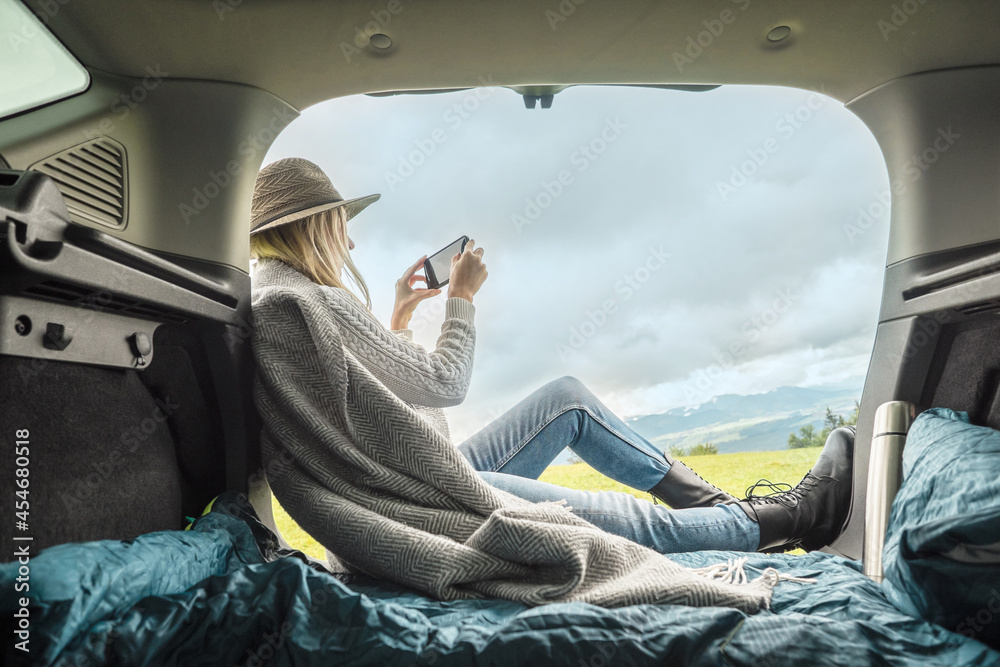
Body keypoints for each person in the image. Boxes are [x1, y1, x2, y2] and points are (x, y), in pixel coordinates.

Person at [248, 157, 855, 555]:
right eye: (340, 223)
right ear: (315, 226)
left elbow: (401, 416)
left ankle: (719, 512)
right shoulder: (310, 302)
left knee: (566, 399)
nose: (349, 239)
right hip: (416, 505)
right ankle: (798, 518)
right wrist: (459, 299)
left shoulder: (284, 300)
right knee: (627, 524)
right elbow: (443, 386)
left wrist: (402, 315)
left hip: (416, 479)